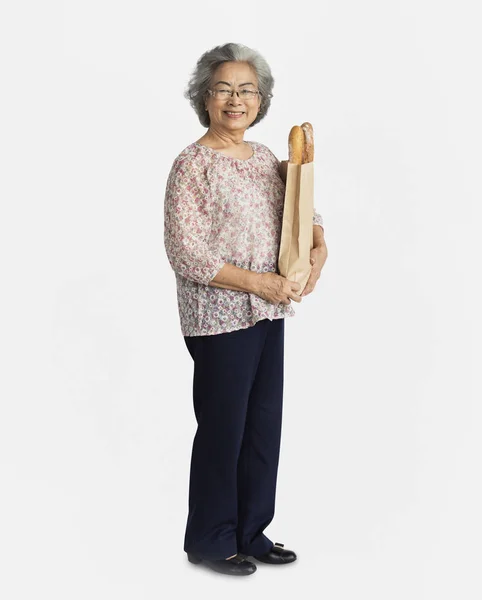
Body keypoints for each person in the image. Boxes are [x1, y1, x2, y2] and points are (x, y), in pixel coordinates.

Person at [163, 42, 328, 576]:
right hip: (219, 316)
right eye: (223, 89)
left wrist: (319, 245)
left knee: (262, 425)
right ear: (204, 99)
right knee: (223, 427)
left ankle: (252, 531)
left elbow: (303, 209)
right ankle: (210, 540)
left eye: (247, 90)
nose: (236, 99)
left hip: (269, 312)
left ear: (261, 100)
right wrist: (260, 283)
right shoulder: (191, 164)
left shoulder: (265, 159)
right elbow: (186, 252)